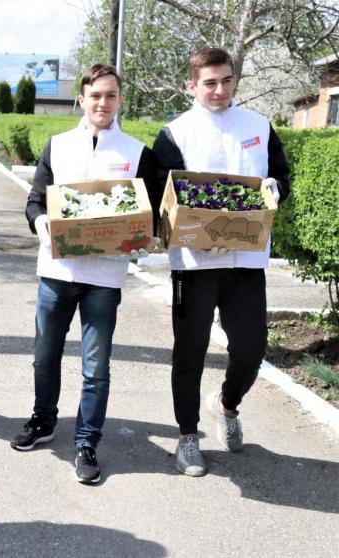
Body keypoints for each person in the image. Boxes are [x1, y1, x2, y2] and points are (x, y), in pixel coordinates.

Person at [13, 64, 160, 484]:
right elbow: (36, 202)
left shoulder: (136, 153)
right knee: (45, 355)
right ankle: (43, 421)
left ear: (119, 100)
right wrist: (43, 227)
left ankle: (86, 442)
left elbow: (148, 218)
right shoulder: (57, 145)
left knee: (96, 366)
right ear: (82, 98)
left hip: (105, 278)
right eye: (95, 95)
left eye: (111, 95)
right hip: (56, 271)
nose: (102, 103)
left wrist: (141, 238)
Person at [152, 47, 290, 477]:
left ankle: (227, 404)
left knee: (251, 350)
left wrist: (274, 189)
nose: (219, 89)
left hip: (247, 259)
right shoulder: (175, 133)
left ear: (234, 80)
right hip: (194, 264)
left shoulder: (259, 126)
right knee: (189, 351)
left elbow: (281, 176)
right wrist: (194, 231)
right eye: (209, 82)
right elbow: (165, 196)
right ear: (192, 85)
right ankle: (188, 436)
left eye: (226, 80)